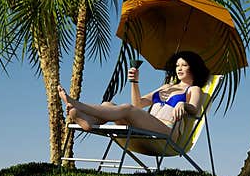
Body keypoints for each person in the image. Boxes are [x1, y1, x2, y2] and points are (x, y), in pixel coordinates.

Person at [57, 51, 210, 138]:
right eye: (177, 65)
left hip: (166, 130)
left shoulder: (193, 89)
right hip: (147, 126)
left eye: (184, 65)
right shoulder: (166, 87)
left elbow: (195, 109)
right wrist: (134, 82)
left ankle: (79, 105)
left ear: (194, 68)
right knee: (109, 104)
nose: (179, 68)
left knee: (128, 109)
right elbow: (139, 104)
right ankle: (89, 121)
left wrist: (183, 104)